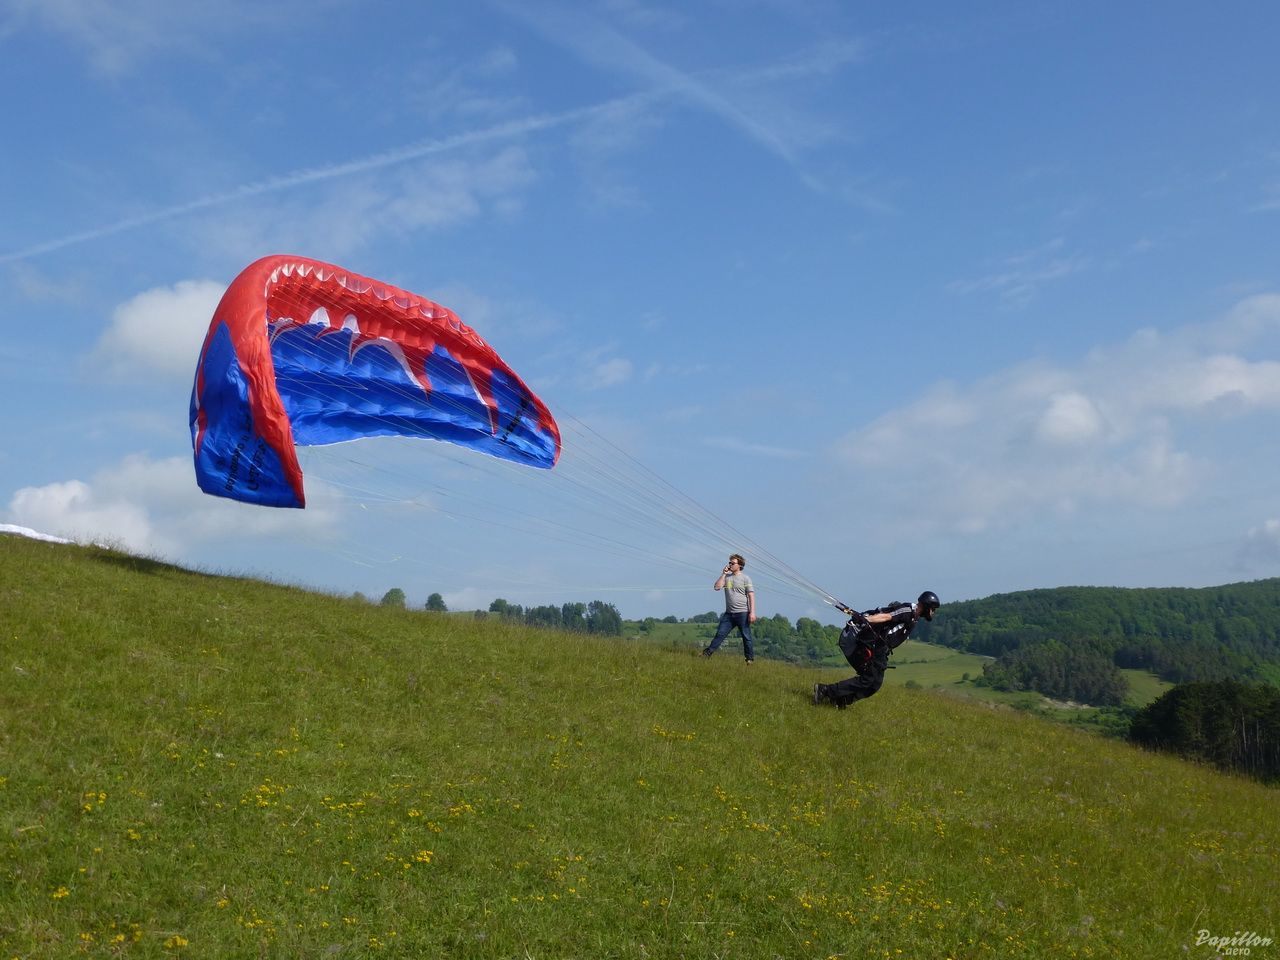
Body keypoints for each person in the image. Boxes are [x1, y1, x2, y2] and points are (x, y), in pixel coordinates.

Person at [813, 591, 941, 708]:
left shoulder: (914, 617)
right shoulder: (907, 611)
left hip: (882, 649)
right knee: (868, 678)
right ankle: (825, 690)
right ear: (926, 606)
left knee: (875, 685)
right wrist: (865, 620)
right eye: (933, 609)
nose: (933, 612)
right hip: (875, 645)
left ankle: (841, 700)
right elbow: (886, 616)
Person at [701, 554, 757, 663]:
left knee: (746, 636)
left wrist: (752, 612)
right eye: (729, 563)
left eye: (733, 563)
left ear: (740, 565)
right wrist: (723, 574)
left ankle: (749, 659)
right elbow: (717, 587)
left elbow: (751, 595)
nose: (730, 565)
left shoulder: (745, 578)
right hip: (729, 614)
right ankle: (707, 654)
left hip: (743, 613)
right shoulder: (727, 577)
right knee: (720, 634)